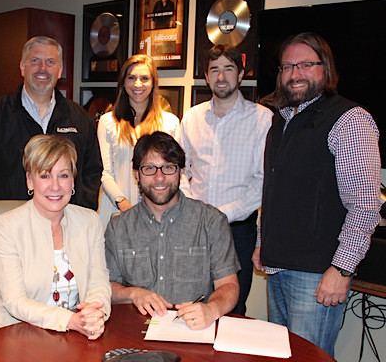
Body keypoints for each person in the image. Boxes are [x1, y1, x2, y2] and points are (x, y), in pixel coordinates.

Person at [252, 32, 381, 357]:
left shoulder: (350, 121)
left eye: (305, 65)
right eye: (287, 67)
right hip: (278, 268)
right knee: (283, 355)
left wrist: (341, 270)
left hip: (317, 274)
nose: (294, 74)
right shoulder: (280, 122)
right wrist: (261, 242)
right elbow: (274, 192)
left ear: (325, 69)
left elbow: (365, 206)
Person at [0, 134, 111, 339]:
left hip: (67, 335)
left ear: (73, 179)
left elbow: (98, 282)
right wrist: (70, 320)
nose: (55, 186)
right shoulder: (7, 226)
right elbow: (15, 302)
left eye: (63, 175)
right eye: (45, 176)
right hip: (8, 332)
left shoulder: (90, 221)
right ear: (30, 180)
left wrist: (94, 312)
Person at [105, 131, 240, 330]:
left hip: (193, 330)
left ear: (181, 171)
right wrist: (132, 293)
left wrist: (211, 309)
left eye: (168, 167)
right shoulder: (118, 227)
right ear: (137, 174)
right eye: (149, 168)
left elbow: (228, 285)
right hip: (135, 332)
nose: (159, 178)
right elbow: (105, 286)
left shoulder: (211, 221)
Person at [177, 44, 273, 315]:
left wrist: (220, 214)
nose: (221, 77)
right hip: (194, 229)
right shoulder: (192, 117)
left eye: (228, 69)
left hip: (237, 231)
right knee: (189, 302)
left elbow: (262, 182)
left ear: (241, 74)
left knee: (232, 308)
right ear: (206, 77)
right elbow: (180, 170)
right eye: (214, 70)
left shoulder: (262, 119)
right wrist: (196, 209)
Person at [0, 36, 102, 210]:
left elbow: (92, 173)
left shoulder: (79, 119)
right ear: (22, 67)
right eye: (34, 61)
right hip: (9, 228)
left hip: (63, 227)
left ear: (60, 70)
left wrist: (78, 214)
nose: (43, 68)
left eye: (50, 62)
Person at [97, 54, 179, 227]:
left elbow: (174, 172)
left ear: (153, 83)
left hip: (155, 213)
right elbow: (105, 172)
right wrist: (124, 204)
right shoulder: (107, 122)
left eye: (144, 78)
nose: (138, 84)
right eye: (131, 78)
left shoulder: (170, 123)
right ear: (123, 82)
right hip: (115, 210)